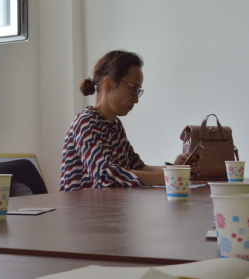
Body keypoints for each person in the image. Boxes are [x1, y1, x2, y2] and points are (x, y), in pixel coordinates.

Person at [59, 50, 199, 192]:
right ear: (108, 84)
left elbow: (137, 167)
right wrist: (169, 177)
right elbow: (105, 175)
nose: (136, 99)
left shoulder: (115, 125)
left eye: (138, 91)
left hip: (109, 204)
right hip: (82, 206)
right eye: (133, 89)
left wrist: (175, 169)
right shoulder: (85, 122)